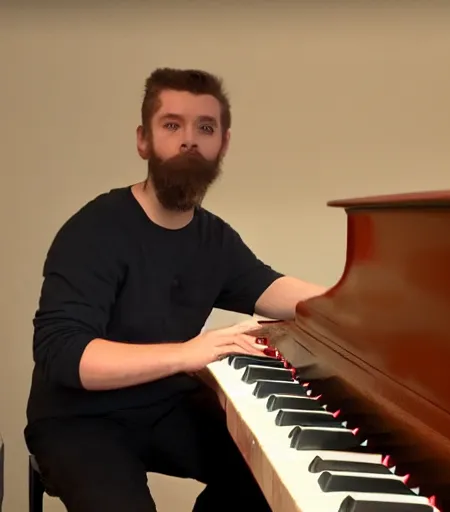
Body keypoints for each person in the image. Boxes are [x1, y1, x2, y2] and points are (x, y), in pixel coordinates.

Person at [24, 68, 327, 512]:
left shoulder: (214, 239)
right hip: (78, 418)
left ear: (222, 144)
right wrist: (189, 353)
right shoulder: (94, 229)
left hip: (164, 406)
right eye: (172, 125)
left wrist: (364, 305)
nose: (189, 140)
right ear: (143, 140)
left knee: (283, 472)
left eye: (205, 128)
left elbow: (275, 287)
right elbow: (65, 356)